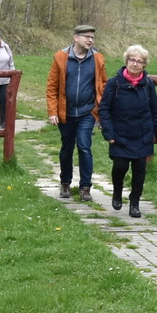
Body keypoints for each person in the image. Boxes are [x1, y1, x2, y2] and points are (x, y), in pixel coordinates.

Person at [97, 44, 157, 216]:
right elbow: (104, 109)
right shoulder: (114, 83)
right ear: (126, 61)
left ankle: (135, 203)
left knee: (140, 170)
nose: (135, 64)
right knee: (120, 166)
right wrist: (108, 132)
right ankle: (117, 193)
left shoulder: (148, 84)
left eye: (139, 61)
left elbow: (154, 109)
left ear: (144, 65)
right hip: (120, 133)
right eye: (132, 60)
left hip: (142, 133)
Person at [45, 25, 107, 199]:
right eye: (86, 36)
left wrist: (101, 112)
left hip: (87, 112)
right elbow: (52, 86)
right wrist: (52, 111)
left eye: (92, 37)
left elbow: (103, 85)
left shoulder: (97, 59)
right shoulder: (60, 57)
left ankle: (85, 187)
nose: (90, 40)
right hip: (66, 112)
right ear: (76, 38)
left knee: (84, 147)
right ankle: (65, 183)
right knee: (66, 148)